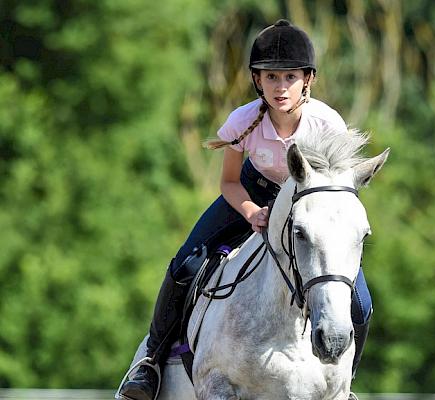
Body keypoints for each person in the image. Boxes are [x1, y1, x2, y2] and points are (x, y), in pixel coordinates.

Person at [117, 19, 372, 400]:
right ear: (257, 80)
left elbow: (333, 190)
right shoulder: (242, 120)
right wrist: (252, 212)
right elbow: (229, 182)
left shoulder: (326, 122)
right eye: (270, 77)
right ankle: (151, 360)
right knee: (185, 263)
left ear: (308, 80)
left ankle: (346, 380)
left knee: (361, 301)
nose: (280, 87)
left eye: (289, 77)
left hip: (305, 203)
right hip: (249, 193)